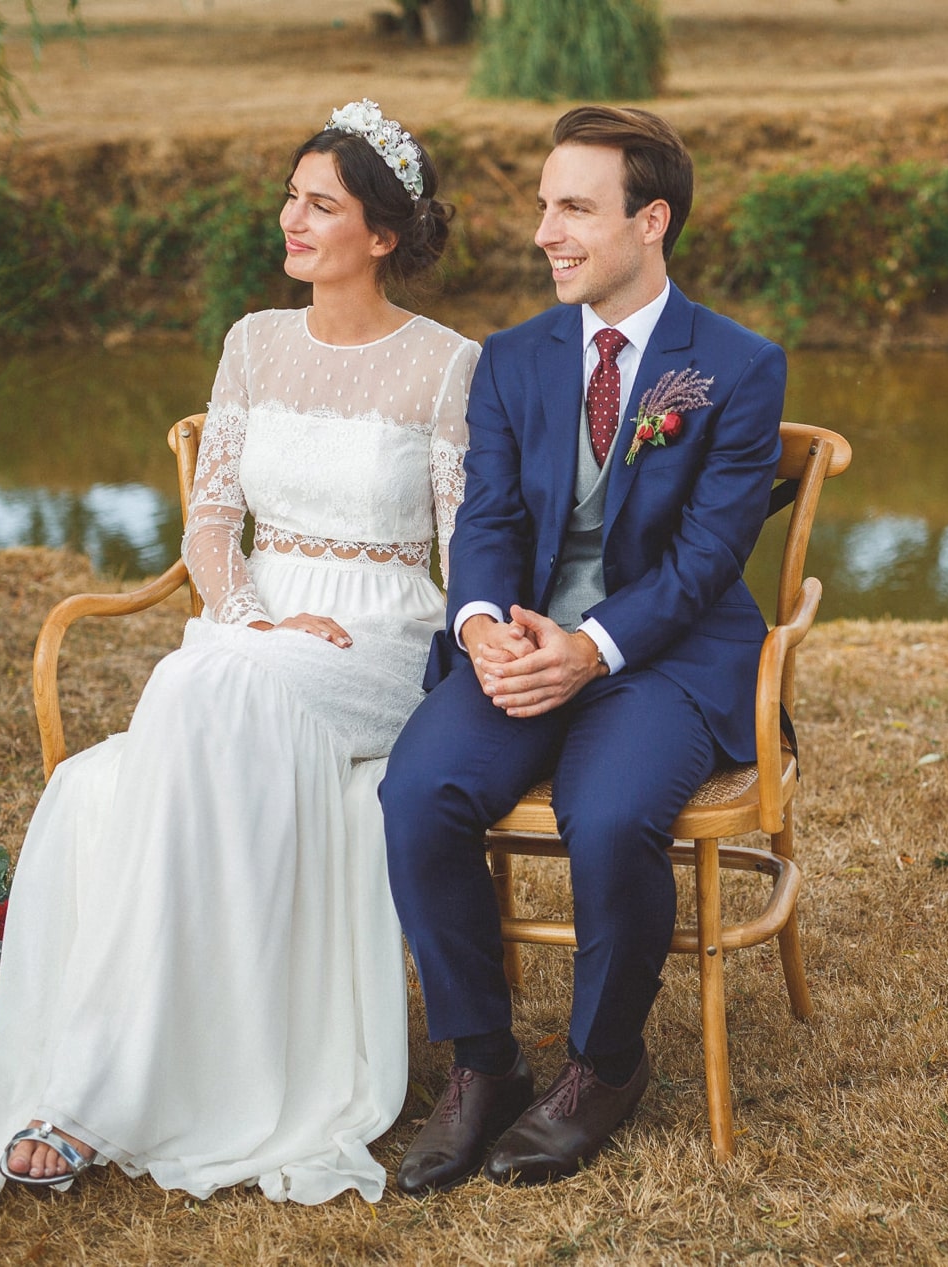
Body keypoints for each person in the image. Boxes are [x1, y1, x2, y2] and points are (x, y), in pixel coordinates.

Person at [0, 100, 477, 1206]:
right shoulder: (252, 341)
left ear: (381, 234)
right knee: (190, 690)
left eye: (319, 204)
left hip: (376, 633)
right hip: (254, 625)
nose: (291, 218)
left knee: (196, 686)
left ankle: (91, 1093)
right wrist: (246, 615)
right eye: (290, 195)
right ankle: (124, 1077)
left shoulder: (444, 364)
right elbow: (208, 525)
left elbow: (466, 546)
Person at [378, 105, 788, 1193]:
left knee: (607, 816)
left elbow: (708, 557)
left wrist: (592, 648)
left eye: (573, 208)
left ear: (649, 221)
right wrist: (480, 628)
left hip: (667, 655)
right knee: (419, 791)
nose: (543, 233)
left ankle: (604, 1066)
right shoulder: (511, 360)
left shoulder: (739, 368)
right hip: (520, 642)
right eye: (543, 205)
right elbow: (489, 520)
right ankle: (484, 1064)